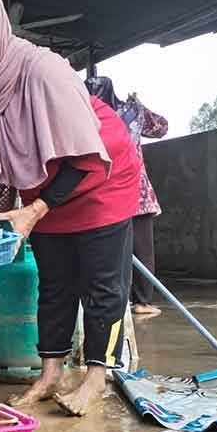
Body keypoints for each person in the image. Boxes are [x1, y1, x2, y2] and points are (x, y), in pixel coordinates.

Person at [0, 0, 142, 416]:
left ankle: (97, 378)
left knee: (103, 286)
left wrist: (35, 209)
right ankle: (50, 374)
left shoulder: (43, 69)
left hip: (100, 173)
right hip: (43, 183)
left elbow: (86, 157)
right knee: (55, 282)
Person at [85, 78, 169, 317]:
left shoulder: (85, 115)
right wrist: (140, 105)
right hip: (135, 193)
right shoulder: (131, 111)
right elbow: (161, 128)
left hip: (102, 194)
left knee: (110, 251)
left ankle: (109, 299)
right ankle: (141, 301)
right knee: (141, 250)